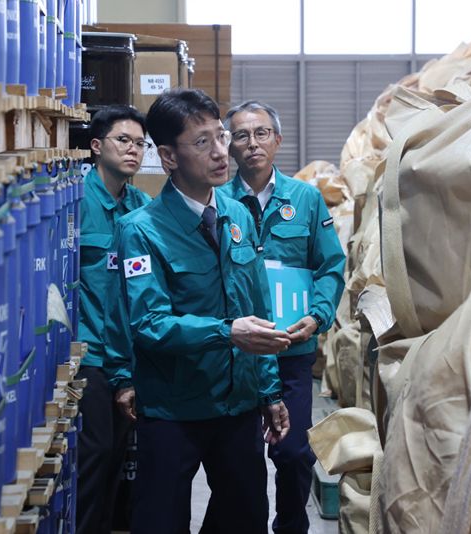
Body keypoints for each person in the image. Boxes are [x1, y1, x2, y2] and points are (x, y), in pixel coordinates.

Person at [105, 88, 291, 534]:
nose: (221, 153)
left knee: (244, 518)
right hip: (174, 409)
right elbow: (150, 324)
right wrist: (227, 332)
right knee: (160, 520)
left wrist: (269, 391)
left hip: (238, 404)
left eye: (221, 137)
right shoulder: (140, 232)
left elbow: (258, 310)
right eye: (202, 143)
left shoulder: (238, 216)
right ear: (168, 157)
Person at [221, 100, 346, 534]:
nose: (252, 143)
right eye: (241, 135)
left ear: (277, 139)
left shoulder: (306, 199)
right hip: (236, 356)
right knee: (239, 459)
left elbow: (331, 266)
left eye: (260, 133)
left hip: (292, 349)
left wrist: (318, 316)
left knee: (293, 453)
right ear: (229, 145)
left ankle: (290, 526)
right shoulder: (218, 201)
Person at [76, 104, 152, 534]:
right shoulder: (75, 200)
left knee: (121, 458)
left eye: (140, 144)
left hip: (129, 354)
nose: (134, 150)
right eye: (123, 140)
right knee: (96, 453)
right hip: (88, 351)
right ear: (96, 145)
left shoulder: (142, 210)